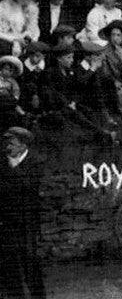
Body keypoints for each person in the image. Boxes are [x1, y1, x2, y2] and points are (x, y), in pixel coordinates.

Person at [0, 126, 45, 299]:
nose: (7, 147)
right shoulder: (3, 162)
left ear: (23, 145)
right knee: (9, 266)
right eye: (6, 142)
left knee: (30, 264)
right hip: (7, 223)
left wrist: (12, 167)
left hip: (27, 224)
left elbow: (28, 186)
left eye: (11, 143)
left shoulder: (35, 162)